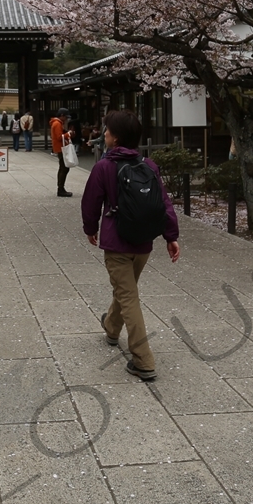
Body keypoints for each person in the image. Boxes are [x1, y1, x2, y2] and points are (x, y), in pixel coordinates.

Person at [81, 109, 180, 381]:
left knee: (128, 296)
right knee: (125, 290)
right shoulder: (149, 165)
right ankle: (112, 328)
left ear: (115, 138)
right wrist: (171, 236)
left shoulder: (103, 166)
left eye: (107, 130)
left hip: (117, 242)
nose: (104, 134)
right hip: (143, 243)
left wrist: (91, 229)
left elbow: (90, 202)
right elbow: (164, 203)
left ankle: (143, 360)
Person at [51, 108, 71, 197]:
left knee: (63, 167)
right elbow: (60, 137)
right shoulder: (57, 123)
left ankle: (61, 188)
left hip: (59, 148)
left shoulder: (56, 123)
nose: (66, 119)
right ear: (62, 115)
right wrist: (68, 134)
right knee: (64, 168)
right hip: (61, 148)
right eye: (66, 117)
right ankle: (61, 188)